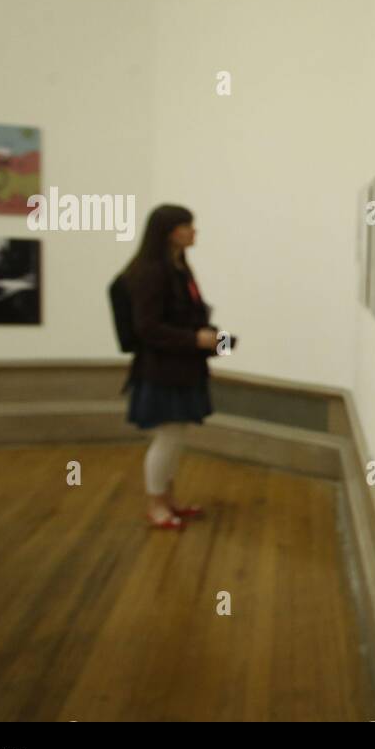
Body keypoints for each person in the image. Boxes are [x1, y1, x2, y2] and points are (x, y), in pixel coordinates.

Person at [120, 204, 222, 530]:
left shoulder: (179, 268)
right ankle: (156, 505)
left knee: (176, 436)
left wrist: (207, 338)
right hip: (161, 369)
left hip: (181, 366)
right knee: (167, 436)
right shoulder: (152, 272)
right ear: (169, 232)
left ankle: (169, 500)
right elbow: (147, 328)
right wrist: (196, 339)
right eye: (187, 226)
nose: (194, 231)